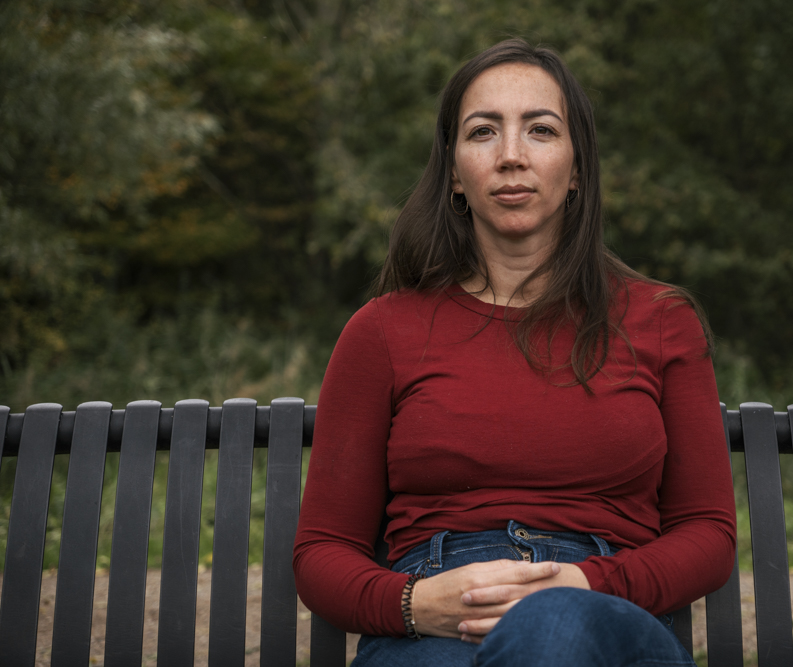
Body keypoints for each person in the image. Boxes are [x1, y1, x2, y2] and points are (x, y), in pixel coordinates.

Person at [293, 38, 737, 666]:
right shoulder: (383, 332)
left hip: (605, 612)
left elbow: (708, 534)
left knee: (550, 630)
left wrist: (584, 585)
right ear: (453, 171)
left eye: (540, 130)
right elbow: (322, 552)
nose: (510, 156)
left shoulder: (659, 320)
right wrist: (417, 603)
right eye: (482, 132)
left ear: (577, 166)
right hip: (436, 624)